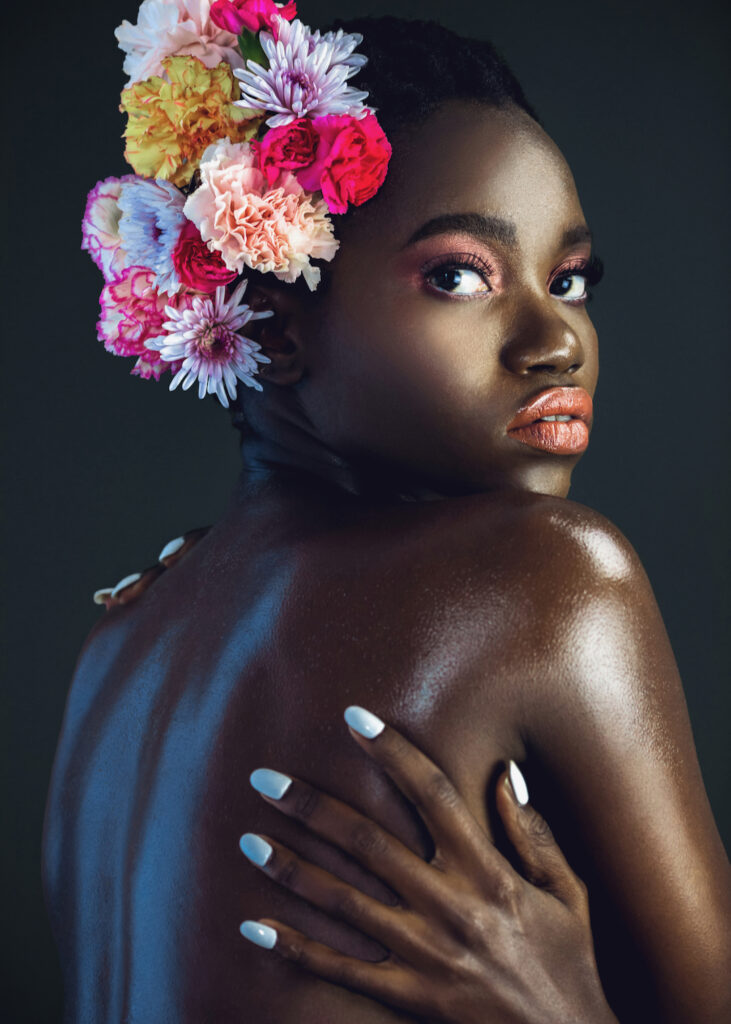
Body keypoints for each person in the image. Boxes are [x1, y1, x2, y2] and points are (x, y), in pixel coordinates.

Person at [42, 11, 730, 1024]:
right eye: (458, 275)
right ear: (272, 328)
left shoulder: (117, 646)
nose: (556, 341)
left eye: (567, 279)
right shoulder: (546, 577)